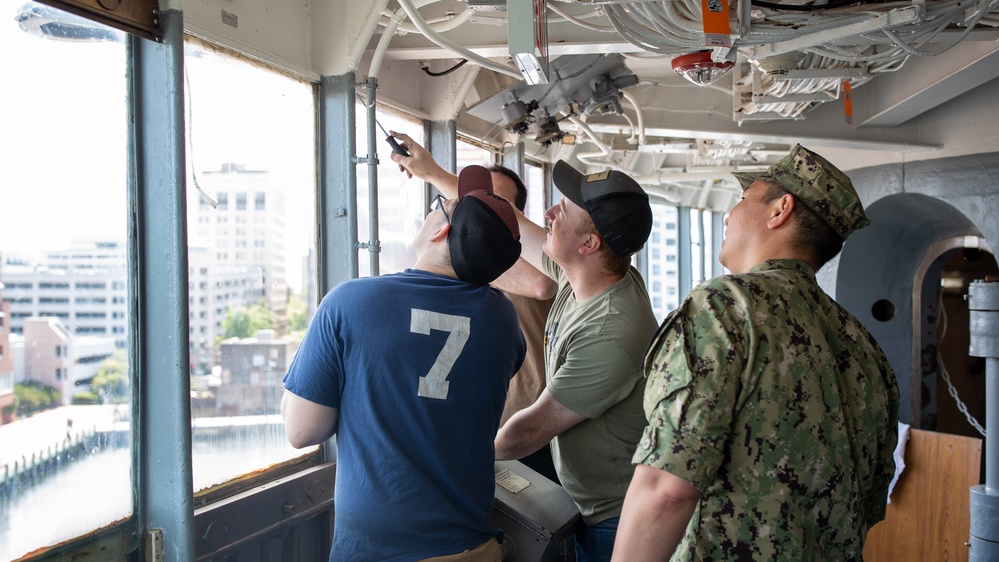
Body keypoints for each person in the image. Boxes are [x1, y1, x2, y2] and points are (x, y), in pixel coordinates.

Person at [612, 144, 900, 561]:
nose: (729, 214)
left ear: (780, 209)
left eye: (743, 199)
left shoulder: (725, 308)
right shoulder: (864, 347)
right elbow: (867, 506)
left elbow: (666, 488)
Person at [391, 133, 659, 562]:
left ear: (589, 244)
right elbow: (508, 222)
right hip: (586, 499)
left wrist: (446, 455)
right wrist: (432, 172)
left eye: (565, 210)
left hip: (615, 515)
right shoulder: (585, 274)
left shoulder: (611, 329)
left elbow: (533, 428)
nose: (550, 213)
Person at [281, 165, 527, 562]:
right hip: (472, 547)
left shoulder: (351, 303)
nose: (432, 210)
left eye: (441, 205)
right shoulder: (503, 319)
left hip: (380, 552)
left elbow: (301, 430)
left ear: (439, 231)